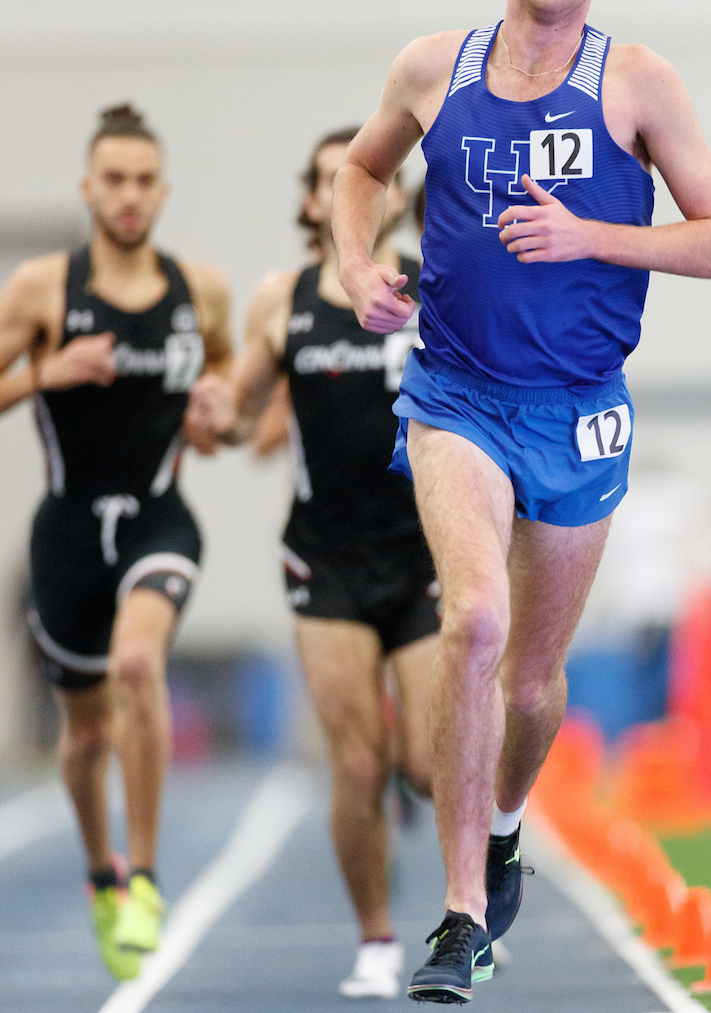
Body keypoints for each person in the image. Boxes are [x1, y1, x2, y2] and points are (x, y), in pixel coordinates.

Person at [331, 0, 711, 1003]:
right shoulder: (433, 69)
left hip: (579, 411)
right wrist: (354, 260)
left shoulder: (638, 86)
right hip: (454, 392)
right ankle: (461, 915)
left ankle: (507, 825)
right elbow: (359, 173)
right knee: (471, 622)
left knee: (532, 682)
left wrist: (592, 236)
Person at [187, 127, 439, 1000]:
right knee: (358, 765)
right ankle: (376, 938)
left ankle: (462, 897)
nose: (358, 191)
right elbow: (240, 406)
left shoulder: (434, 282)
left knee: (426, 766)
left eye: (372, 178)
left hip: (423, 553)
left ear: (397, 195)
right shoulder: (282, 298)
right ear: (313, 203)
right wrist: (212, 411)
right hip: (324, 560)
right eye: (336, 180)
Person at [0, 104, 231, 981]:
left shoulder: (199, 290)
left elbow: (228, 378)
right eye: (113, 180)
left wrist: (218, 412)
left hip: (162, 515)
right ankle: (102, 875)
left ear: (161, 191)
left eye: (143, 181)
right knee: (84, 737)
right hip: (66, 533)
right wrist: (49, 370)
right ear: (89, 188)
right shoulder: (44, 289)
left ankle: (146, 878)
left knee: (139, 666)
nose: (129, 196)